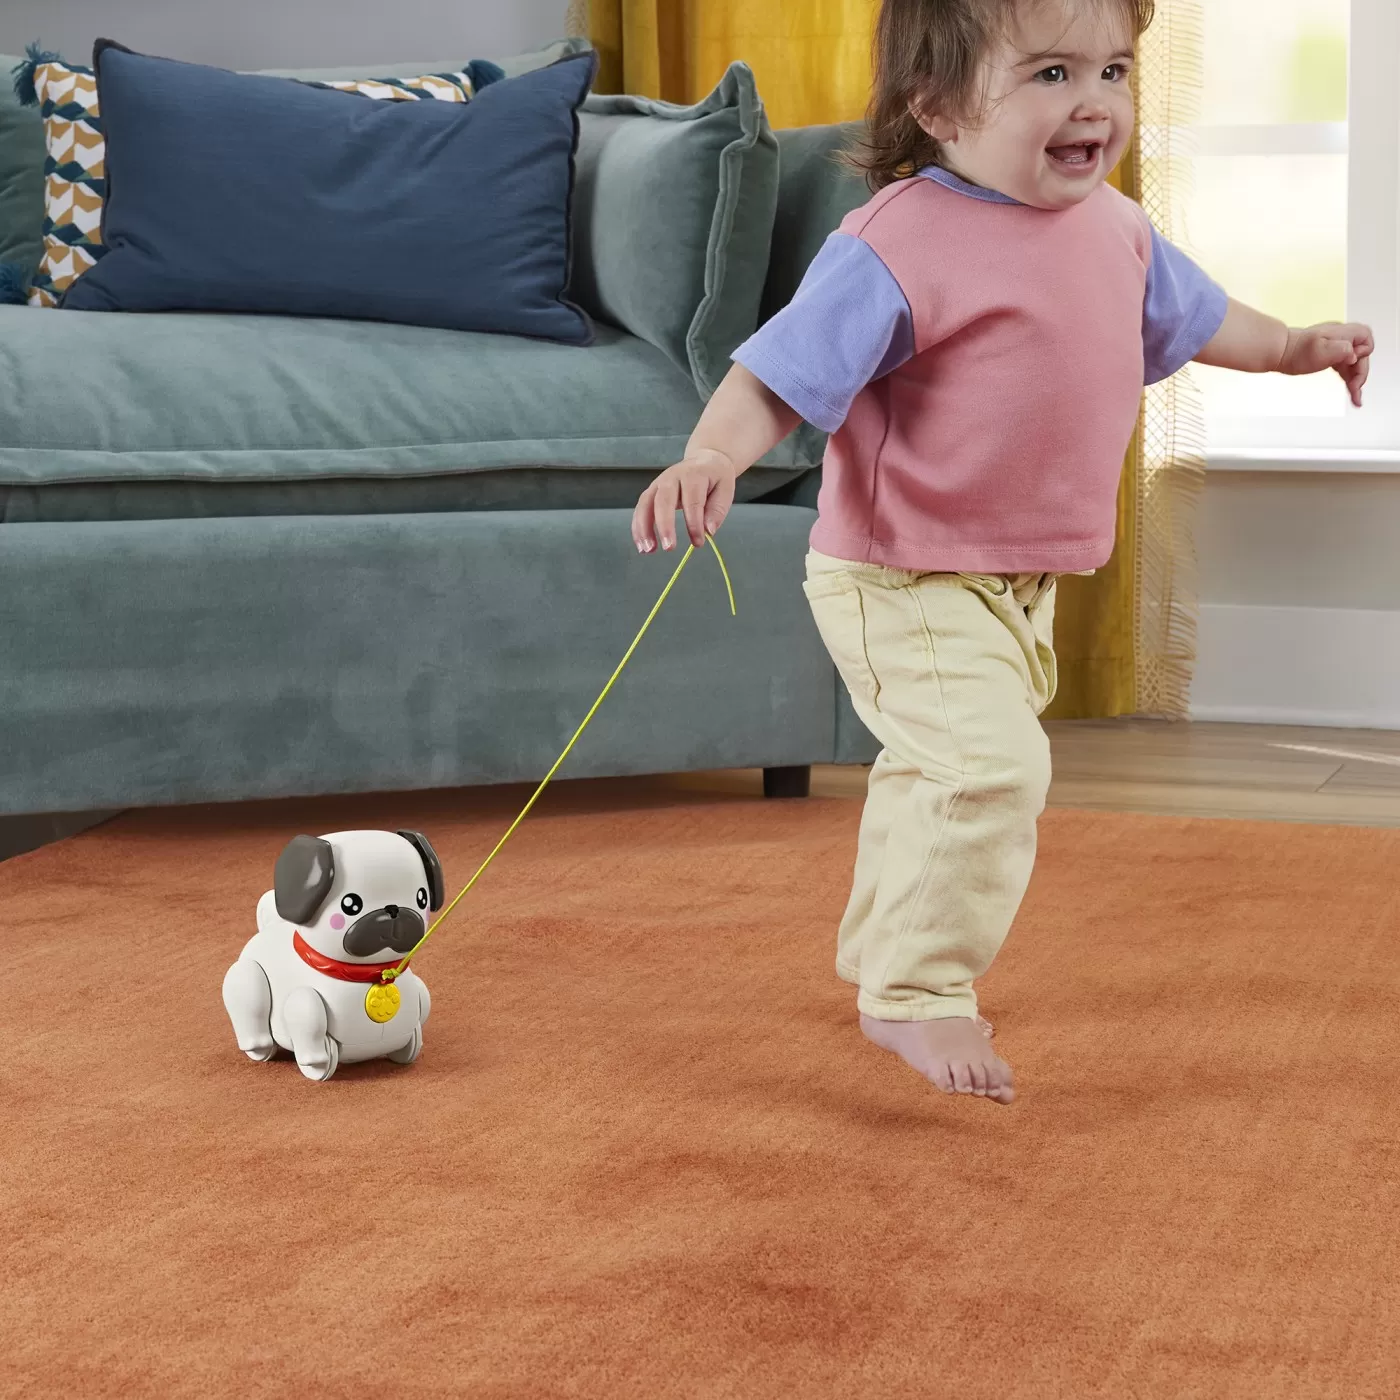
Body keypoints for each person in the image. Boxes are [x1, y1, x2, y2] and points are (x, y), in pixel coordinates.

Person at [630, 0, 1374, 1105]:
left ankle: (878, 951)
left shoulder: (1114, 229)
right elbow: (780, 371)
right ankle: (917, 991)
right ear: (936, 107)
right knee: (989, 770)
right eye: (1050, 74)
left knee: (931, 769)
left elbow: (1199, 316)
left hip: (1018, 583)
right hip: (898, 572)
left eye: (1113, 70)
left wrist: (1292, 348)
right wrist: (710, 455)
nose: (1094, 102)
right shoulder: (897, 240)